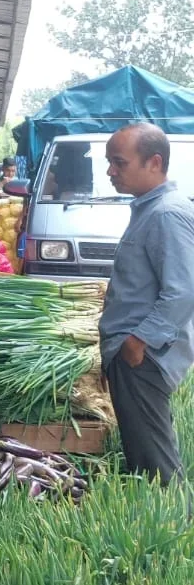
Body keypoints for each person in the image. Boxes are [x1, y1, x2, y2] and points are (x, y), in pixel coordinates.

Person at [100, 123, 194, 485]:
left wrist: (138, 343)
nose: (110, 171)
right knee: (144, 455)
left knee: (157, 466)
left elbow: (183, 291)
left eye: (119, 162)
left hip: (144, 357)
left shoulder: (167, 213)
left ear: (154, 162)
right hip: (138, 354)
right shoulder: (151, 208)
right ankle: (159, 525)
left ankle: (174, 528)